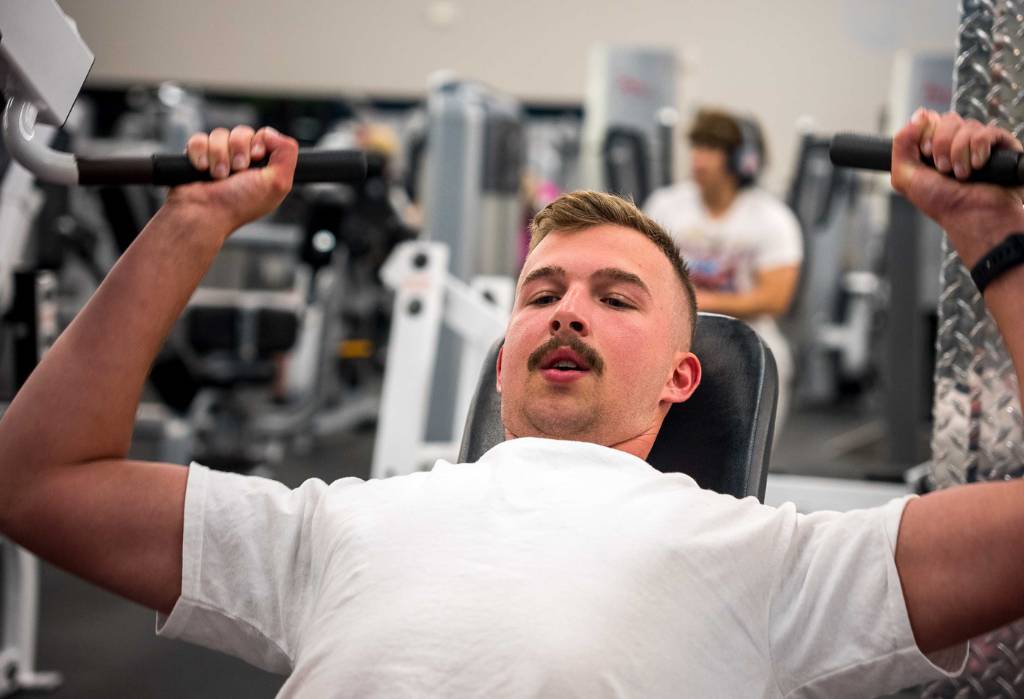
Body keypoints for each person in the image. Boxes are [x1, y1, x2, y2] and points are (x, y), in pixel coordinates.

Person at [0, 110, 1023, 697]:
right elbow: (39, 483)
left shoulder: (766, 558)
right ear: (501, 363)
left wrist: (994, 236)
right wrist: (191, 222)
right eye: (541, 295)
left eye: (615, 298)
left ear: (681, 376)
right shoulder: (336, 522)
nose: (567, 312)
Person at [644, 108, 802, 428]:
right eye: (697, 148)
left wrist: (702, 302)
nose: (699, 160)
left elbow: (775, 299)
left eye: (712, 150)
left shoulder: (772, 219)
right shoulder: (666, 205)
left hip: (748, 341)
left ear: (742, 160)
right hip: (675, 337)